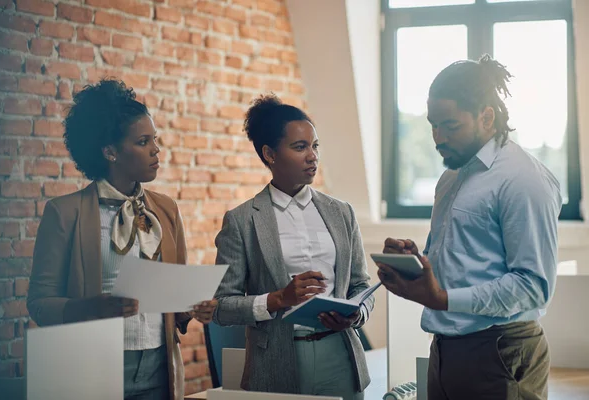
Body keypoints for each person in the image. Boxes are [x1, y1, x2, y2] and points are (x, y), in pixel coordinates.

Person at [376, 55, 562, 400]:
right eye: (433, 125)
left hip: (502, 352)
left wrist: (443, 299)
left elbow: (533, 286)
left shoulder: (523, 180)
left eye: (451, 125)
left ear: (486, 116)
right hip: (446, 349)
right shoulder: (451, 177)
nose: (438, 138)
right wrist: (415, 264)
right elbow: (459, 260)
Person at [27, 79, 218, 400]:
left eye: (155, 139)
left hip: (161, 364)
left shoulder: (167, 210)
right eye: (143, 141)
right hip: (92, 364)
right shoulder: (64, 213)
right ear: (110, 151)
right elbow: (40, 304)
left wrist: (191, 309)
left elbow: (173, 298)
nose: (156, 149)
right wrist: (91, 307)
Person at [213, 94, 373, 399]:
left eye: (315, 146)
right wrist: (277, 299)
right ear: (270, 154)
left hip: (340, 356)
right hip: (277, 362)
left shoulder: (342, 212)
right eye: (300, 147)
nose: (312, 156)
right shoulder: (242, 220)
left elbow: (360, 285)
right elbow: (221, 307)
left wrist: (357, 314)